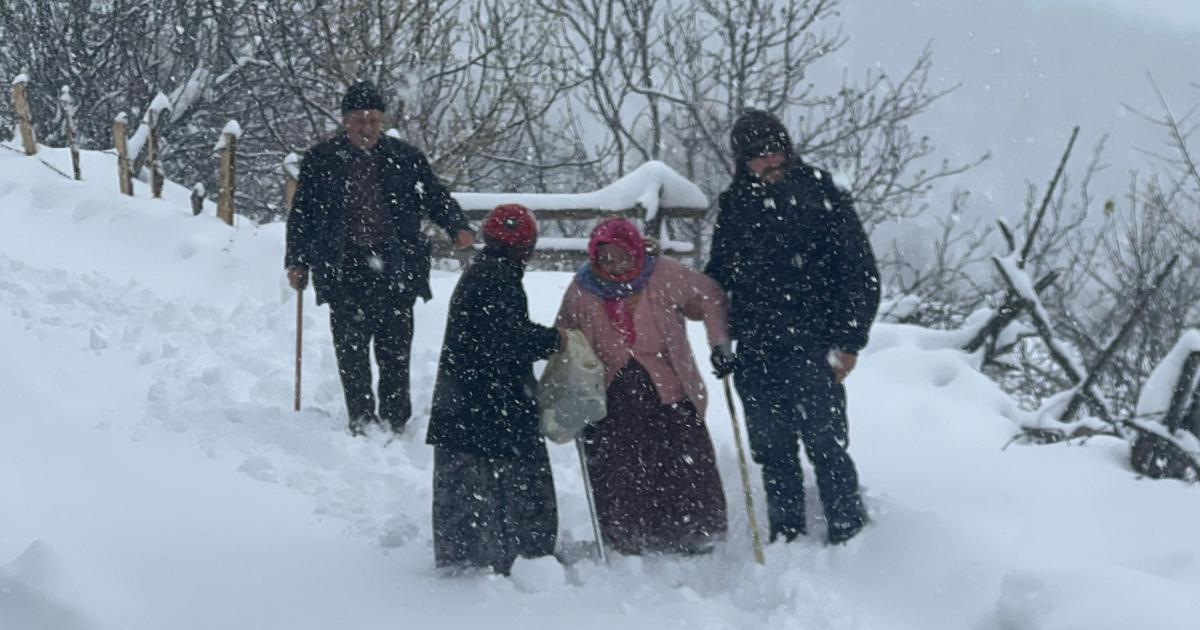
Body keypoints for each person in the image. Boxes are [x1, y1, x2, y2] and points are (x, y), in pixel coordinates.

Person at [705, 108, 881, 545]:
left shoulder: (821, 193)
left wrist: (849, 340)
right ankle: (787, 534)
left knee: (827, 444)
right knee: (772, 449)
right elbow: (719, 274)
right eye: (758, 157)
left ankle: (848, 531)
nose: (770, 163)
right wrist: (708, 323)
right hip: (757, 348)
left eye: (775, 153)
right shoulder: (736, 203)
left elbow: (860, 272)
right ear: (743, 161)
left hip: (814, 343)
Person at [284, 81, 474, 436]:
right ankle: (360, 416)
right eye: (359, 120)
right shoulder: (322, 161)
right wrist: (297, 261)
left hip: (395, 266)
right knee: (351, 352)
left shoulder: (405, 158)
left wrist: (457, 226)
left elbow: (435, 197)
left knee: (395, 350)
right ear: (345, 122)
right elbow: (303, 215)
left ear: (382, 121)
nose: (367, 128)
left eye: (373, 120)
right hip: (343, 267)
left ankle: (395, 419)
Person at [556, 218, 729, 556]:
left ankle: (693, 530)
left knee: (679, 459)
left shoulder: (661, 273)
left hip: (668, 384)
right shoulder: (583, 287)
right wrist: (568, 377)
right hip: (612, 388)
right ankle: (628, 534)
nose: (613, 265)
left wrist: (719, 344)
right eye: (604, 257)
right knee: (621, 463)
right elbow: (564, 331)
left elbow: (709, 295)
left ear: (636, 250)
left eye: (621, 256)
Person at [426, 204, 563, 575]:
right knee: (515, 476)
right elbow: (507, 337)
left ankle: (470, 547)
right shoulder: (499, 277)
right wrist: (556, 339)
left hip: (465, 397)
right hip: (493, 399)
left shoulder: (485, 271)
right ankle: (519, 551)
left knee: (469, 479)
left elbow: (498, 332)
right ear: (528, 248)